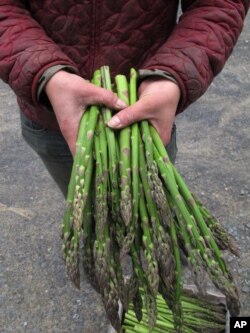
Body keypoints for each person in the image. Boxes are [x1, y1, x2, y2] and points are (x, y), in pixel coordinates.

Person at [0, 1, 249, 197]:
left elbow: (218, 5)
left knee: (151, 199)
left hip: (145, 114)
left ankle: (148, 234)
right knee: (84, 201)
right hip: (51, 115)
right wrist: (46, 73)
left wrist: (173, 74)